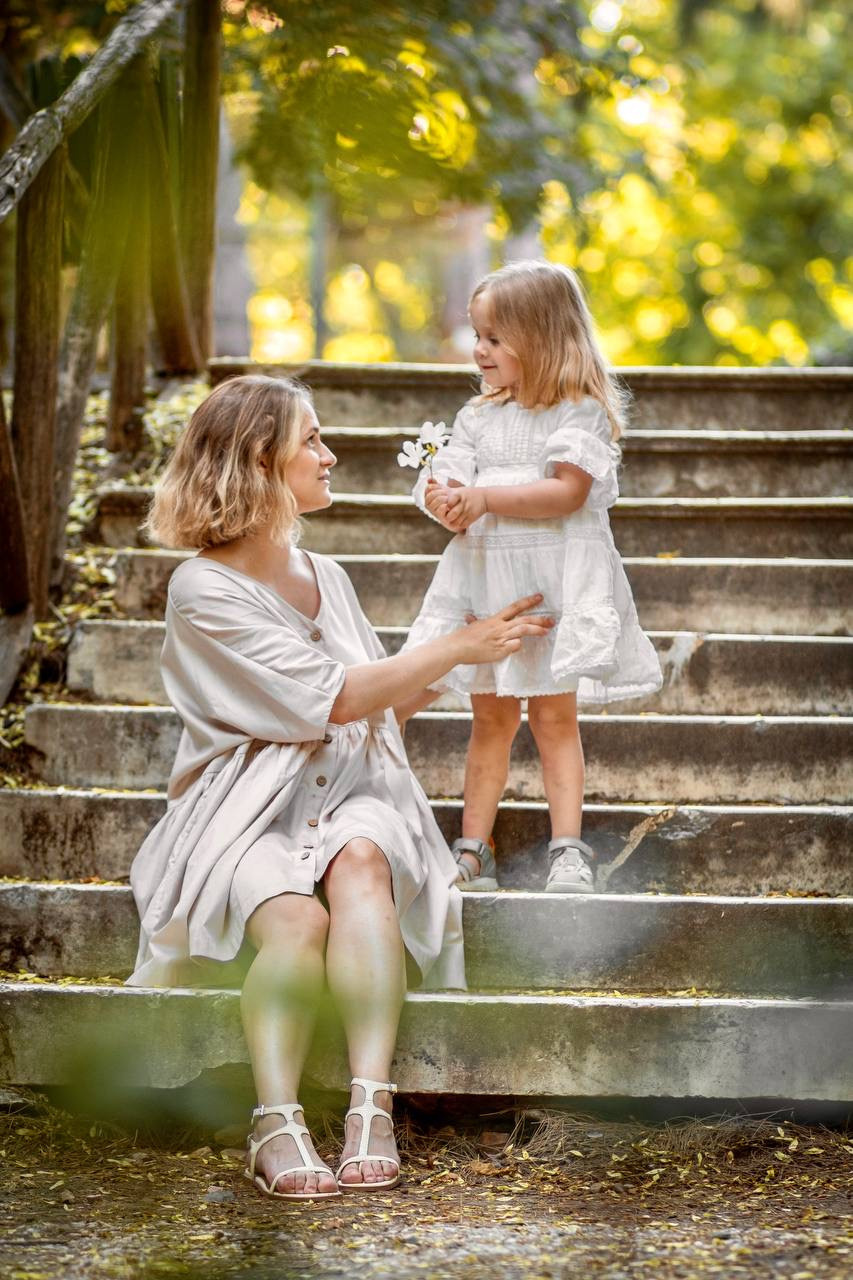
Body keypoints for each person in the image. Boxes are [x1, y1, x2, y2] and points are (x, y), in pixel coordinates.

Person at [125, 374, 553, 1203]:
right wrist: (456, 647)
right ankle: (276, 1121)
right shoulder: (201, 589)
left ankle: (370, 1105)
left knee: (362, 860)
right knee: (295, 919)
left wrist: (491, 631)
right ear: (260, 458)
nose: (329, 455)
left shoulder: (328, 572)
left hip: (353, 784)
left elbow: (387, 691)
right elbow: (331, 696)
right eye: (312, 440)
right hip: (246, 802)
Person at [403, 260, 662, 895]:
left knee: (553, 719)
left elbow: (567, 493)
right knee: (489, 719)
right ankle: (472, 846)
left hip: (553, 589)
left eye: (494, 337)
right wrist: (447, 497)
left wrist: (486, 499)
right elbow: (453, 478)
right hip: (490, 585)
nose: (479, 350)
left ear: (542, 337)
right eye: (477, 335)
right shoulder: (477, 418)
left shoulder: (580, 413)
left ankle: (567, 848)